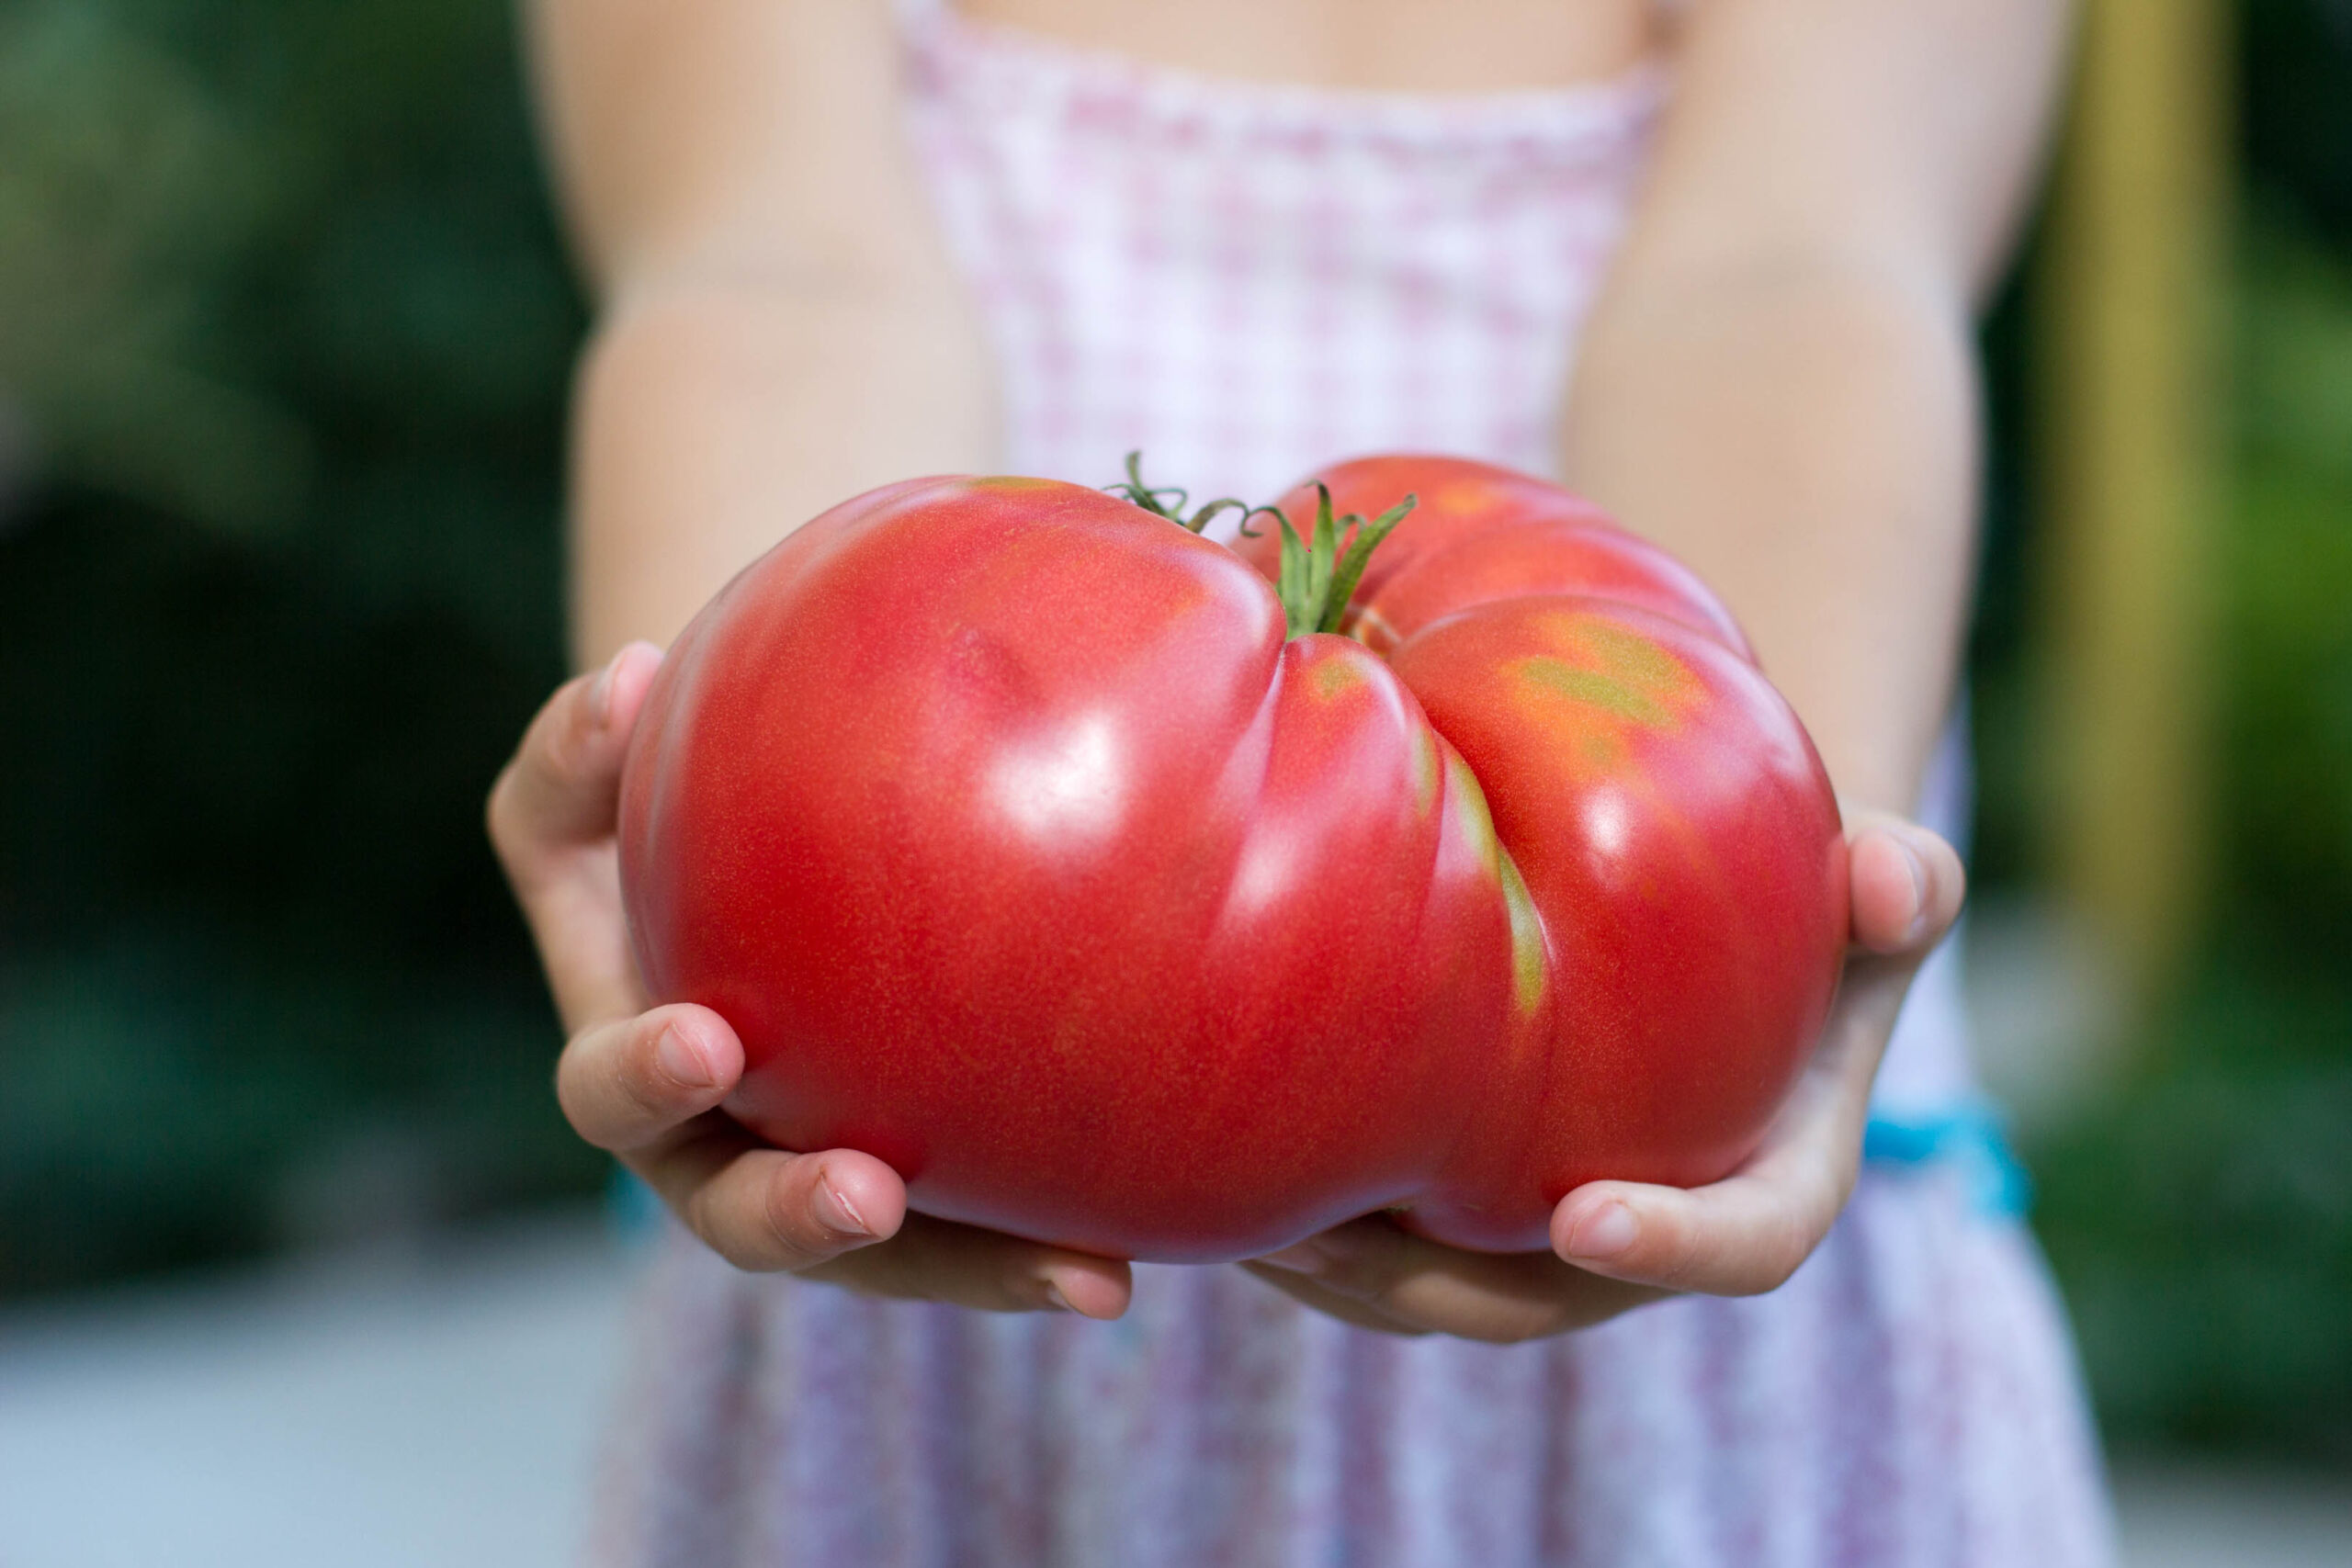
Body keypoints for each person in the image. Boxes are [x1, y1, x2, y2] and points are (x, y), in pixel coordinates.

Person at [489, 1, 2111, 1561]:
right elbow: (775, 266)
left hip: (1652, 1294)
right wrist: (732, 851)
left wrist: (1759, 941)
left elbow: (1797, 272)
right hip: (913, 1257)